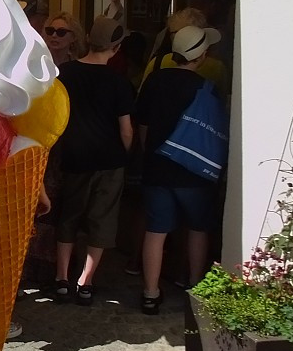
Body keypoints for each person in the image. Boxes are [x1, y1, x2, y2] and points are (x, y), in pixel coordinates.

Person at [135, 25, 225, 315]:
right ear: (200, 56)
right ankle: (195, 286)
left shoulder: (155, 80)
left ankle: (150, 292)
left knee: (156, 229)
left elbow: (143, 124)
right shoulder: (206, 88)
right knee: (198, 228)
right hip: (193, 171)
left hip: (157, 166)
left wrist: (149, 151)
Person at [53, 17, 134, 306]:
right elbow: (126, 129)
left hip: (75, 156)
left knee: (69, 217)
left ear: (87, 37)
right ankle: (85, 281)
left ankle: (61, 278)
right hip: (108, 159)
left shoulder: (64, 73)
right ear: (116, 47)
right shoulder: (118, 82)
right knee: (102, 220)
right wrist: (124, 154)